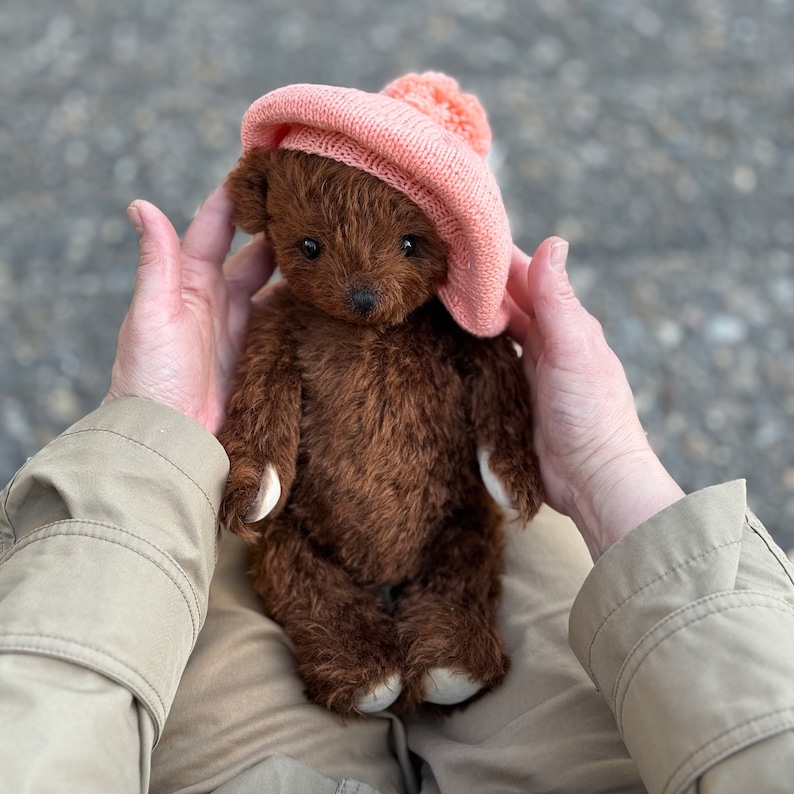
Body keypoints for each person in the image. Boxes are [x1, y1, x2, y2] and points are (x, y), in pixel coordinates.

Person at [1, 183, 792, 794]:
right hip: (617, 762)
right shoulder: (290, 329)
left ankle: (431, 641)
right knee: (537, 553)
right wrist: (604, 474)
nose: (362, 286)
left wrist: (157, 433)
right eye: (309, 245)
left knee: (211, 570)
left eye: (412, 242)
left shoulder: (444, 333)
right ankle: (371, 648)